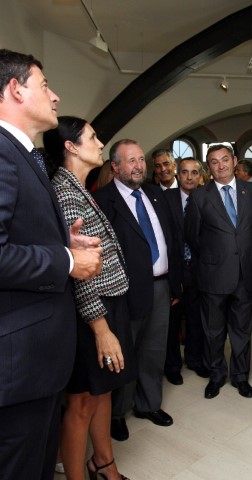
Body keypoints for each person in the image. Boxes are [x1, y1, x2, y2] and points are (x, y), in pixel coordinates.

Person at [0, 49, 102, 480]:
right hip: (18, 362)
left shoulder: (23, 154)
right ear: (15, 89)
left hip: (36, 362)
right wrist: (65, 259)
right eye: (45, 86)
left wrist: (64, 240)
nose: (56, 97)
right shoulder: (3, 153)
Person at [43, 117, 135, 480]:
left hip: (110, 299)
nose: (100, 143)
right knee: (81, 401)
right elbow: (78, 270)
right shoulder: (64, 191)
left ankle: (105, 463)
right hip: (92, 309)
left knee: (104, 391)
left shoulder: (80, 186)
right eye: (93, 137)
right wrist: (100, 327)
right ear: (71, 147)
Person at [93, 139, 181, 441]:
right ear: (115, 166)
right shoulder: (103, 201)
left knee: (154, 351)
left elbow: (171, 238)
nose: (139, 166)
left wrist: (175, 282)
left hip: (161, 287)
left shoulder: (156, 194)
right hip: (124, 291)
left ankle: (149, 404)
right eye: (131, 161)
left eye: (141, 159)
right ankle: (117, 412)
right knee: (124, 353)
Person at [185, 144, 252, 400]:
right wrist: (216, 256)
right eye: (213, 162)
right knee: (213, 330)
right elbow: (192, 236)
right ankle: (217, 374)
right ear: (208, 167)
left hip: (245, 273)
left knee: (242, 330)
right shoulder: (199, 196)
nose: (220, 165)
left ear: (234, 161)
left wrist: (239, 251)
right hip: (212, 275)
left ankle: (240, 377)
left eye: (224, 160)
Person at [164, 158, 210, 384]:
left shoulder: (208, 198)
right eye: (184, 172)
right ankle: (172, 365)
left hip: (200, 269)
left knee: (196, 318)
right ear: (177, 175)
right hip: (174, 269)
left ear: (200, 175)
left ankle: (195, 359)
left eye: (194, 172)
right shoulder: (165, 199)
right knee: (172, 320)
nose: (189, 177)